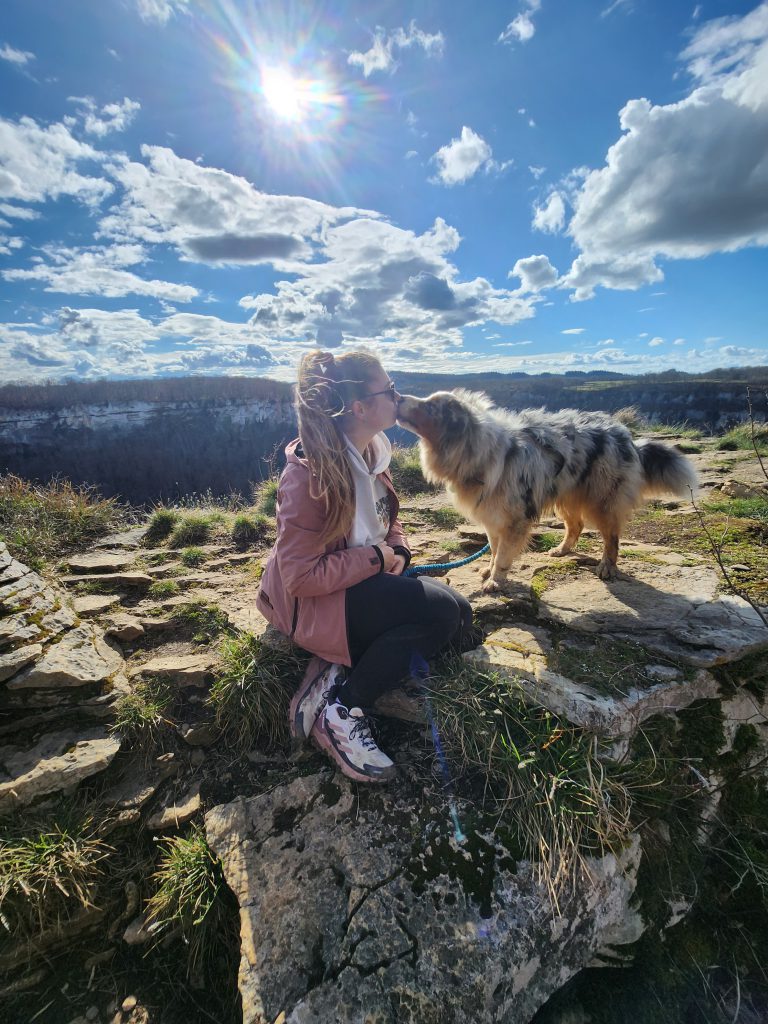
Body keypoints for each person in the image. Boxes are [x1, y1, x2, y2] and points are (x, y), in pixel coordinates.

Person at [256, 349, 477, 784]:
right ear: (359, 407)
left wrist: (400, 552)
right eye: (388, 390)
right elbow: (299, 577)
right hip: (314, 603)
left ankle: (335, 665)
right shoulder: (308, 477)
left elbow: (385, 524)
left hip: (358, 580)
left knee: (460, 616)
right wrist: (377, 558)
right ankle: (341, 711)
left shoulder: (372, 452)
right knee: (442, 614)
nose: (398, 396)